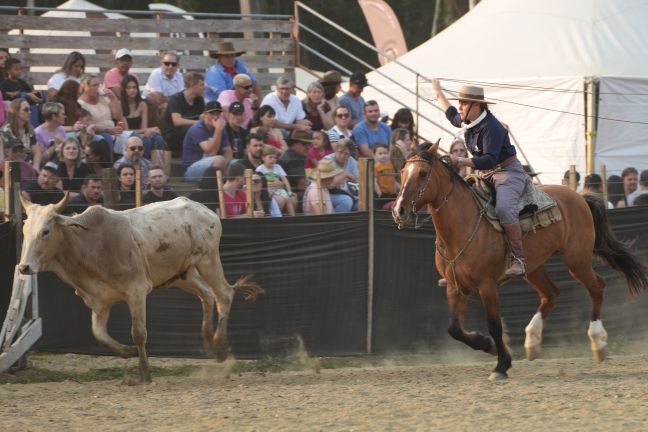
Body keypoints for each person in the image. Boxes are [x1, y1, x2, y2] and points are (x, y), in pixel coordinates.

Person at [432, 80, 529, 278]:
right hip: (486, 174)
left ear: (476, 106)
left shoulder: (492, 127)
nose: (460, 106)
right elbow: (451, 114)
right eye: (460, 103)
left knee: (503, 208)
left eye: (464, 103)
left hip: (507, 173)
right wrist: (438, 91)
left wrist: (458, 160)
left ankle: (519, 259)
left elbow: (488, 160)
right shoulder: (469, 119)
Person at [120, 74, 167, 166]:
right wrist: (148, 130)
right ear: (124, 90)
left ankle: (159, 167)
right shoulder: (120, 105)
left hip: (140, 134)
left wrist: (149, 130)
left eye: (134, 87)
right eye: (128, 88)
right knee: (146, 141)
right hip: (127, 136)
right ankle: (143, 167)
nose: (132, 90)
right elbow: (126, 131)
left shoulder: (142, 104)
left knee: (158, 138)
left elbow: (144, 127)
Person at [182, 101, 231, 181]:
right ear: (205, 114)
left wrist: (226, 166)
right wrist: (218, 130)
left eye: (217, 114)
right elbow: (211, 152)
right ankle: (214, 190)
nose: (215, 117)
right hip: (191, 169)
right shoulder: (197, 128)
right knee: (219, 160)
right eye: (212, 114)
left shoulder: (220, 128)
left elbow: (228, 150)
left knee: (237, 164)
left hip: (211, 164)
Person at [77, 74, 124, 155]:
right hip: (97, 132)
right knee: (106, 137)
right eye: (94, 85)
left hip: (113, 130)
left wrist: (113, 98)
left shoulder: (103, 97)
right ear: (85, 86)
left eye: (99, 85)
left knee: (135, 136)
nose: (98, 88)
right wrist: (108, 130)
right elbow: (87, 125)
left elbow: (117, 116)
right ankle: (108, 165)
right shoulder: (80, 104)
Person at [161, 72, 205, 158]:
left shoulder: (199, 100)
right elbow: (177, 121)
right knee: (194, 128)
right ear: (193, 85)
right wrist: (198, 122)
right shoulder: (176, 99)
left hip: (188, 133)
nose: (204, 88)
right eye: (201, 85)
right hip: (173, 135)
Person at [256, 145, 297, 216]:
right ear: (263, 158)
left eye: (275, 158)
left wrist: (289, 191)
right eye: (270, 157)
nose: (273, 160)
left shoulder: (278, 167)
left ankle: (292, 217)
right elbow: (259, 183)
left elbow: (285, 179)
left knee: (288, 199)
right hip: (268, 190)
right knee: (280, 200)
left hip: (279, 190)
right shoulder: (260, 169)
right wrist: (268, 185)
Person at [2, 98, 41, 169]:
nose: (29, 112)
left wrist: (36, 166)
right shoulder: (5, 132)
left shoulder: (29, 130)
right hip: (11, 167)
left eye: (30, 109)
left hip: (27, 167)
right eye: (26, 110)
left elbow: (37, 152)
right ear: (16, 112)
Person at [323, 138, 359, 212]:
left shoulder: (351, 160)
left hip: (346, 192)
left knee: (361, 203)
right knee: (346, 201)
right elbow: (330, 185)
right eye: (340, 152)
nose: (342, 156)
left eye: (346, 154)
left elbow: (356, 179)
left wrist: (338, 178)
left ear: (350, 154)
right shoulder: (327, 160)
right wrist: (344, 174)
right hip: (327, 193)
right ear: (336, 150)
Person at [373, 142, 399, 210]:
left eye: (385, 153)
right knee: (390, 206)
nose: (383, 155)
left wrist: (399, 188)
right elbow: (374, 181)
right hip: (383, 194)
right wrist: (379, 193)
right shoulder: (376, 167)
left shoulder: (391, 166)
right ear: (375, 155)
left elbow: (393, 180)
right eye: (380, 154)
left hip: (392, 193)